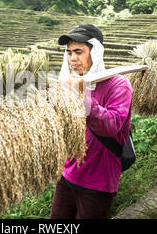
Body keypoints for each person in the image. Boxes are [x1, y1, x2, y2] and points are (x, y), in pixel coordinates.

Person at [50, 24, 133, 219]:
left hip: (98, 183)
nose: (72, 58)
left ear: (94, 53)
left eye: (79, 52)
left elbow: (111, 125)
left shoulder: (118, 85)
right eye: (69, 52)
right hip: (67, 175)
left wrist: (82, 97)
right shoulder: (69, 83)